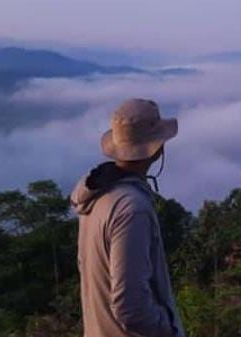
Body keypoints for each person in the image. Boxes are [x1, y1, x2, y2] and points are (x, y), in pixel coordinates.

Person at [70, 98, 185, 337]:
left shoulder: (96, 196)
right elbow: (131, 305)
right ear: (157, 148)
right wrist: (167, 328)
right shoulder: (132, 209)